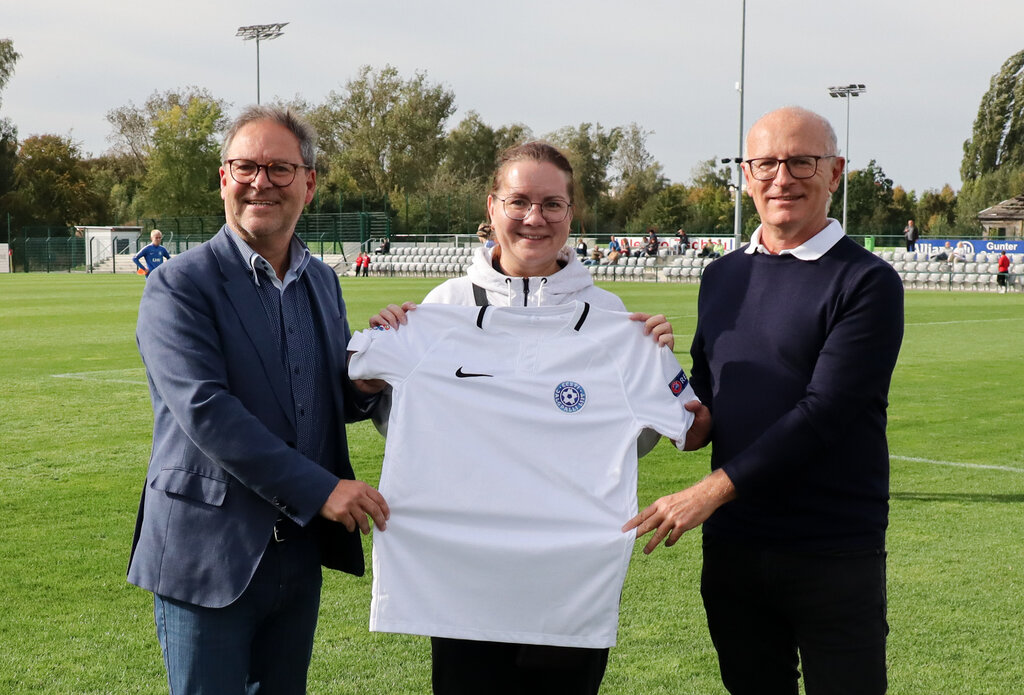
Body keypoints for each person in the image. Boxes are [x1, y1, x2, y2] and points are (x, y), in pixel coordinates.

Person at [363, 142, 702, 693]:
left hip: (571, 580)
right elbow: (384, 412)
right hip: (461, 576)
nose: (534, 218)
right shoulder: (440, 309)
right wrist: (378, 366)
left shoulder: (615, 321)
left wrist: (658, 363)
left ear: (571, 213)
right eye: (519, 201)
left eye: (552, 203)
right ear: (492, 206)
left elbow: (684, 429)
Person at [625, 107, 904, 695]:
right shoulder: (721, 276)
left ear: (834, 173)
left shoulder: (867, 282)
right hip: (735, 549)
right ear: (746, 176)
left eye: (802, 161)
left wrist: (710, 490)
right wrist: (653, 370)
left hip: (832, 549)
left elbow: (824, 412)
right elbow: (707, 408)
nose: (783, 178)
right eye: (766, 163)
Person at [128, 105, 390, 695]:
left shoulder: (321, 280)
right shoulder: (178, 284)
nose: (260, 182)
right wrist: (322, 489)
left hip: (296, 551)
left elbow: (322, 397)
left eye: (279, 168)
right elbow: (206, 412)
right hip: (208, 553)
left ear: (309, 182)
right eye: (246, 166)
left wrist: (369, 378)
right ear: (224, 177)